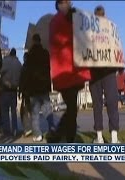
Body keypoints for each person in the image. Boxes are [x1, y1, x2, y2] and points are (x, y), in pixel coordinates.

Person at [48, 0, 91, 143]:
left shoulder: (69, 19)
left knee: (72, 108)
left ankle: (60, 135)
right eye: (64, 1)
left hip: (72, 73)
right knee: (72, 108)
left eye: (68, 1)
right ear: (59, 4)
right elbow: (62, 39)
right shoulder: (58, 21)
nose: (68, 3)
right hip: (65, 73)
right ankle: (64, 137)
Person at [89, 5, 123, 144]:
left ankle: (99, 137)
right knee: (112, 103)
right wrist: (121, 66)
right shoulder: (111, 30)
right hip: (108, 71)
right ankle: (113, 137)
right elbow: (118, 46)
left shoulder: (89, 31)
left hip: (96, 72)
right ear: (105, 15)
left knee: (98, 104)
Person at [26, 34, 56, 142]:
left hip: (34, 88)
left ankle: (38, 134)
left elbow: (27, 72)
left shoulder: (30, 54)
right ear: (40, 41)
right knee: (47, 109)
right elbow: (49, 67)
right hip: (44, 86)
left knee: (35, 113)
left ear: (33, 41)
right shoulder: (45, 53)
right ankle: (52, 128)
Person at [0, 48, 22, 137]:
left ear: (10, 54)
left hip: (4, 89)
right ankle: (15, 129)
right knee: (13, 111)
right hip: (14, 90)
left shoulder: (5, 61)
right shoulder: (19, 64)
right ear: (15, 54)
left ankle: (7, 131)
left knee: (4, 111)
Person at [19, 52, 32, 137]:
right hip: (33, 92)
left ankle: (27, 129)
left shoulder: (23, 68)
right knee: (32, 111)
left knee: (24, 112)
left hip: (26, 93)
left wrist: (20, 91)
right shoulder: (33, 67)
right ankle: (33, 128)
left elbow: (21, 81)